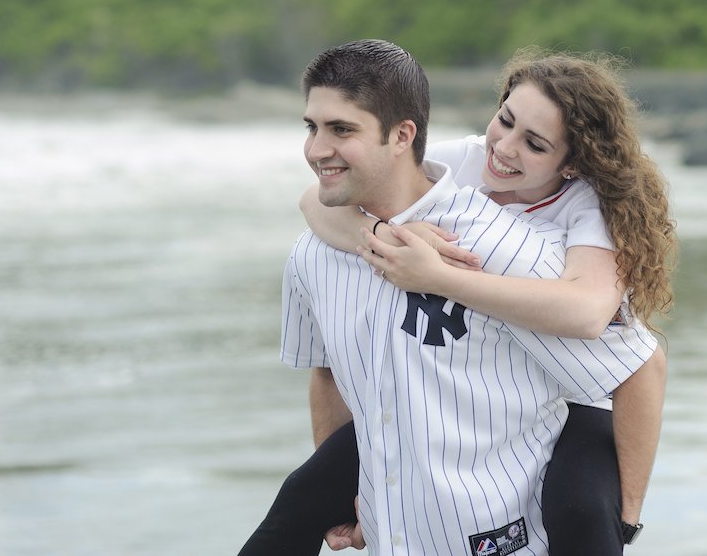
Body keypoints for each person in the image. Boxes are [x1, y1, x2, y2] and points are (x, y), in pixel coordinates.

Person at [242, 39, 663, 556]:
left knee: (583, 516)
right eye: (504, 120)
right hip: (464, 392)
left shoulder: (584, 209)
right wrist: (383, 238)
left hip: (581, 398)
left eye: (535, 144)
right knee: (298, 501)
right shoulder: (461, 161)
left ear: (572, 163)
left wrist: (439, 277)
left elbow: (592, 314)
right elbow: (322, 197)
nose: (505, 148)